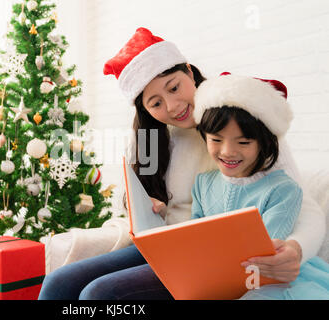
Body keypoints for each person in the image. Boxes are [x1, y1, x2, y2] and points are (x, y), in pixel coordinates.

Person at [38, 27, 325, 300]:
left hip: (212, 257)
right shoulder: (151, 138)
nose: (173, 106)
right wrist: (143, 203)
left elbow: (303, 204)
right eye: (156, 103)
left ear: (188, 71)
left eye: (174, 87)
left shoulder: (237, 120)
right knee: (59, 281)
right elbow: (130, 201)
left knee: (100, 294)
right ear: (146, 110)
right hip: (164, 243)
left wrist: (296, 248)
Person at [191, 72, 329, 299]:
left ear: (264, 144)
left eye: (243, 142)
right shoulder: (202, 183)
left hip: (265, 278)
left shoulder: (283, 189)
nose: (227, 151)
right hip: (213, 273)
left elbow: (262, 254)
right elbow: (193, 235)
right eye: (216, 139)